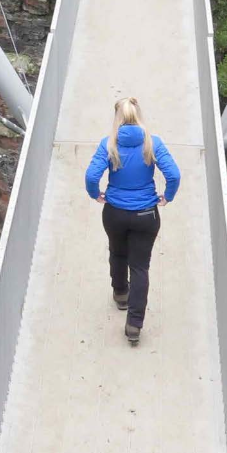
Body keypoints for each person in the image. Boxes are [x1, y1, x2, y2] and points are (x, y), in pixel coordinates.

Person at [84, 97, 180, 345]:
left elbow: (92, 176)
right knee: (140, 267)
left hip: (114, 212)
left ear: (117, 118)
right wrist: (167, 196)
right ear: (139, 115)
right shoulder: (152, 143)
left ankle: (120, 293)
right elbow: (174, 175)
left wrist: (96, 195)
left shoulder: (109, 144)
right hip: (146, 214)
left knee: (117, 253)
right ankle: (134, 325)